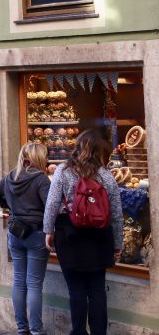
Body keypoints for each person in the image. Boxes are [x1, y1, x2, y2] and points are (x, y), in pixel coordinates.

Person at [44, 130, 123, 335]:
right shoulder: (106, 176)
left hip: (69, 236)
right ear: (100, 152)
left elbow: (52, 203)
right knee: (97, 289)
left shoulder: (63, 170)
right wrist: (117, 244)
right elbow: (116, 214)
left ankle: (78, 331)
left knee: (76, 288)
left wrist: (48, 231)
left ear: (78, 147)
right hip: (100, 237)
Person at [0, 142, 52, 335]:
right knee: (34, 284)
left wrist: (11, 205)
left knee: (19, 281)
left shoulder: (11, 177)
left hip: (15, 233)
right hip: (37, 235)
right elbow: (50, 208)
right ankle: (37, 330)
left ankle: (22, 328)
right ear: (39, 158)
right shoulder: (41, 180)